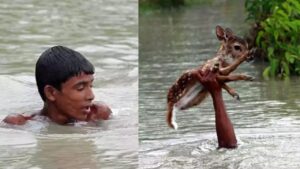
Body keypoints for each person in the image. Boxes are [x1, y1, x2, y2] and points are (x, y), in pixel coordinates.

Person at [2, 46, 112, 125]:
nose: (91, 96)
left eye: (91, 85)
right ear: (51, 93)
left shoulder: (98, 114)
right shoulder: (20, 124)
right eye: (80, 88)